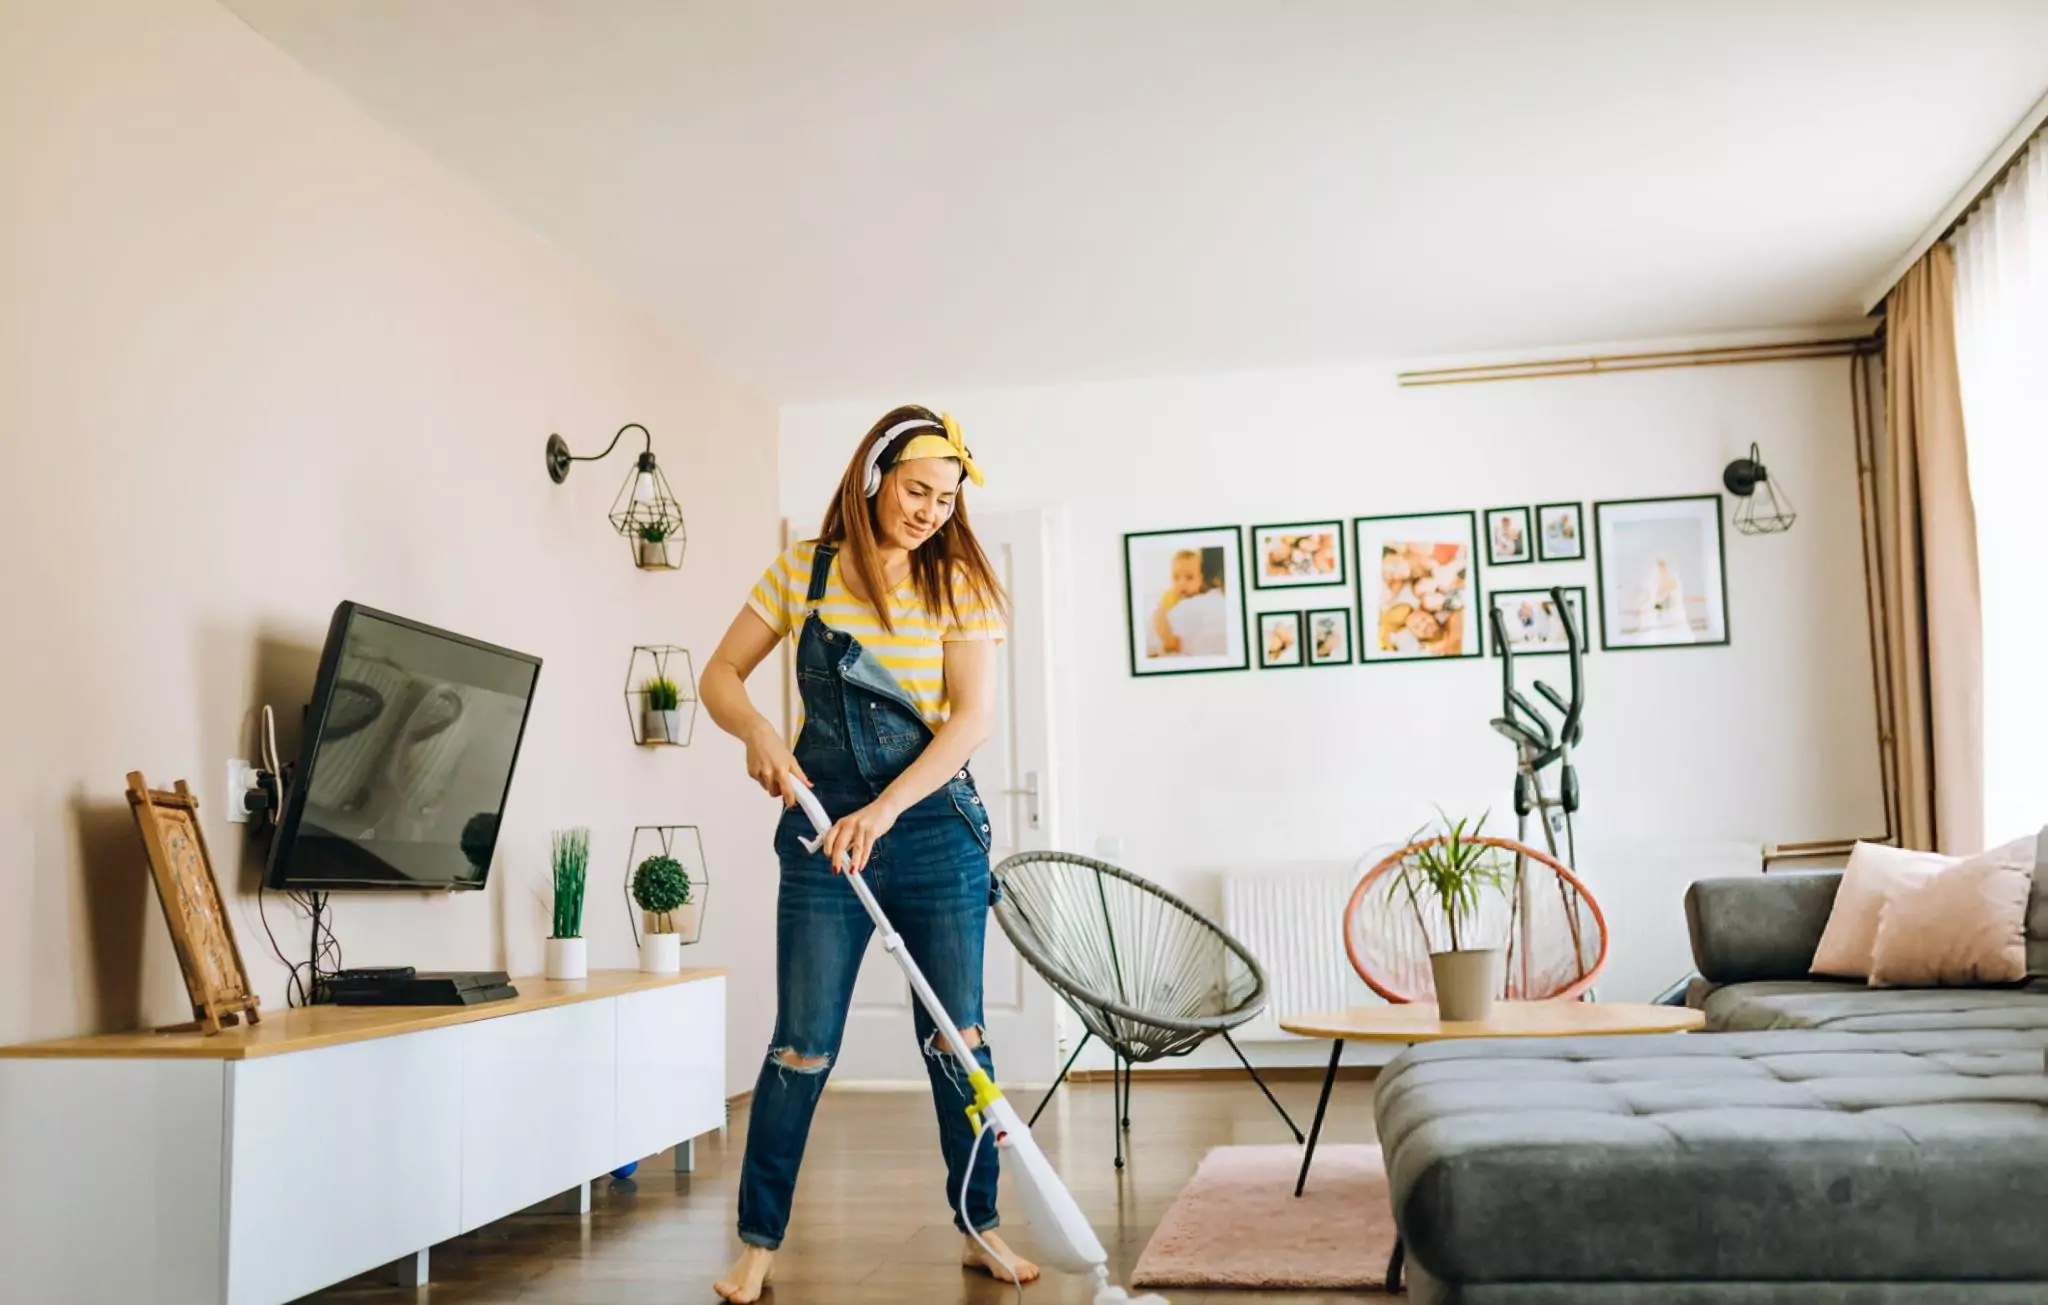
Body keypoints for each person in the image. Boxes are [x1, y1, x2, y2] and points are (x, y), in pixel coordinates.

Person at [698, 405, 1034, 1303]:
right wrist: (758, 732)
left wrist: (884, 810)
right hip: (821, 831)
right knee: (802, 1044)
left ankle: (980, 1224)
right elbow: (717, 675)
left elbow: (970, 720)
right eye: (919, 489)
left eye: (947, 496)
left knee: (957, 1039)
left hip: (928, 827)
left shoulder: (960, 578)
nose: (932, 509)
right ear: (875, 476)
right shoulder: (803, 571)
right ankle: (759, 1241)